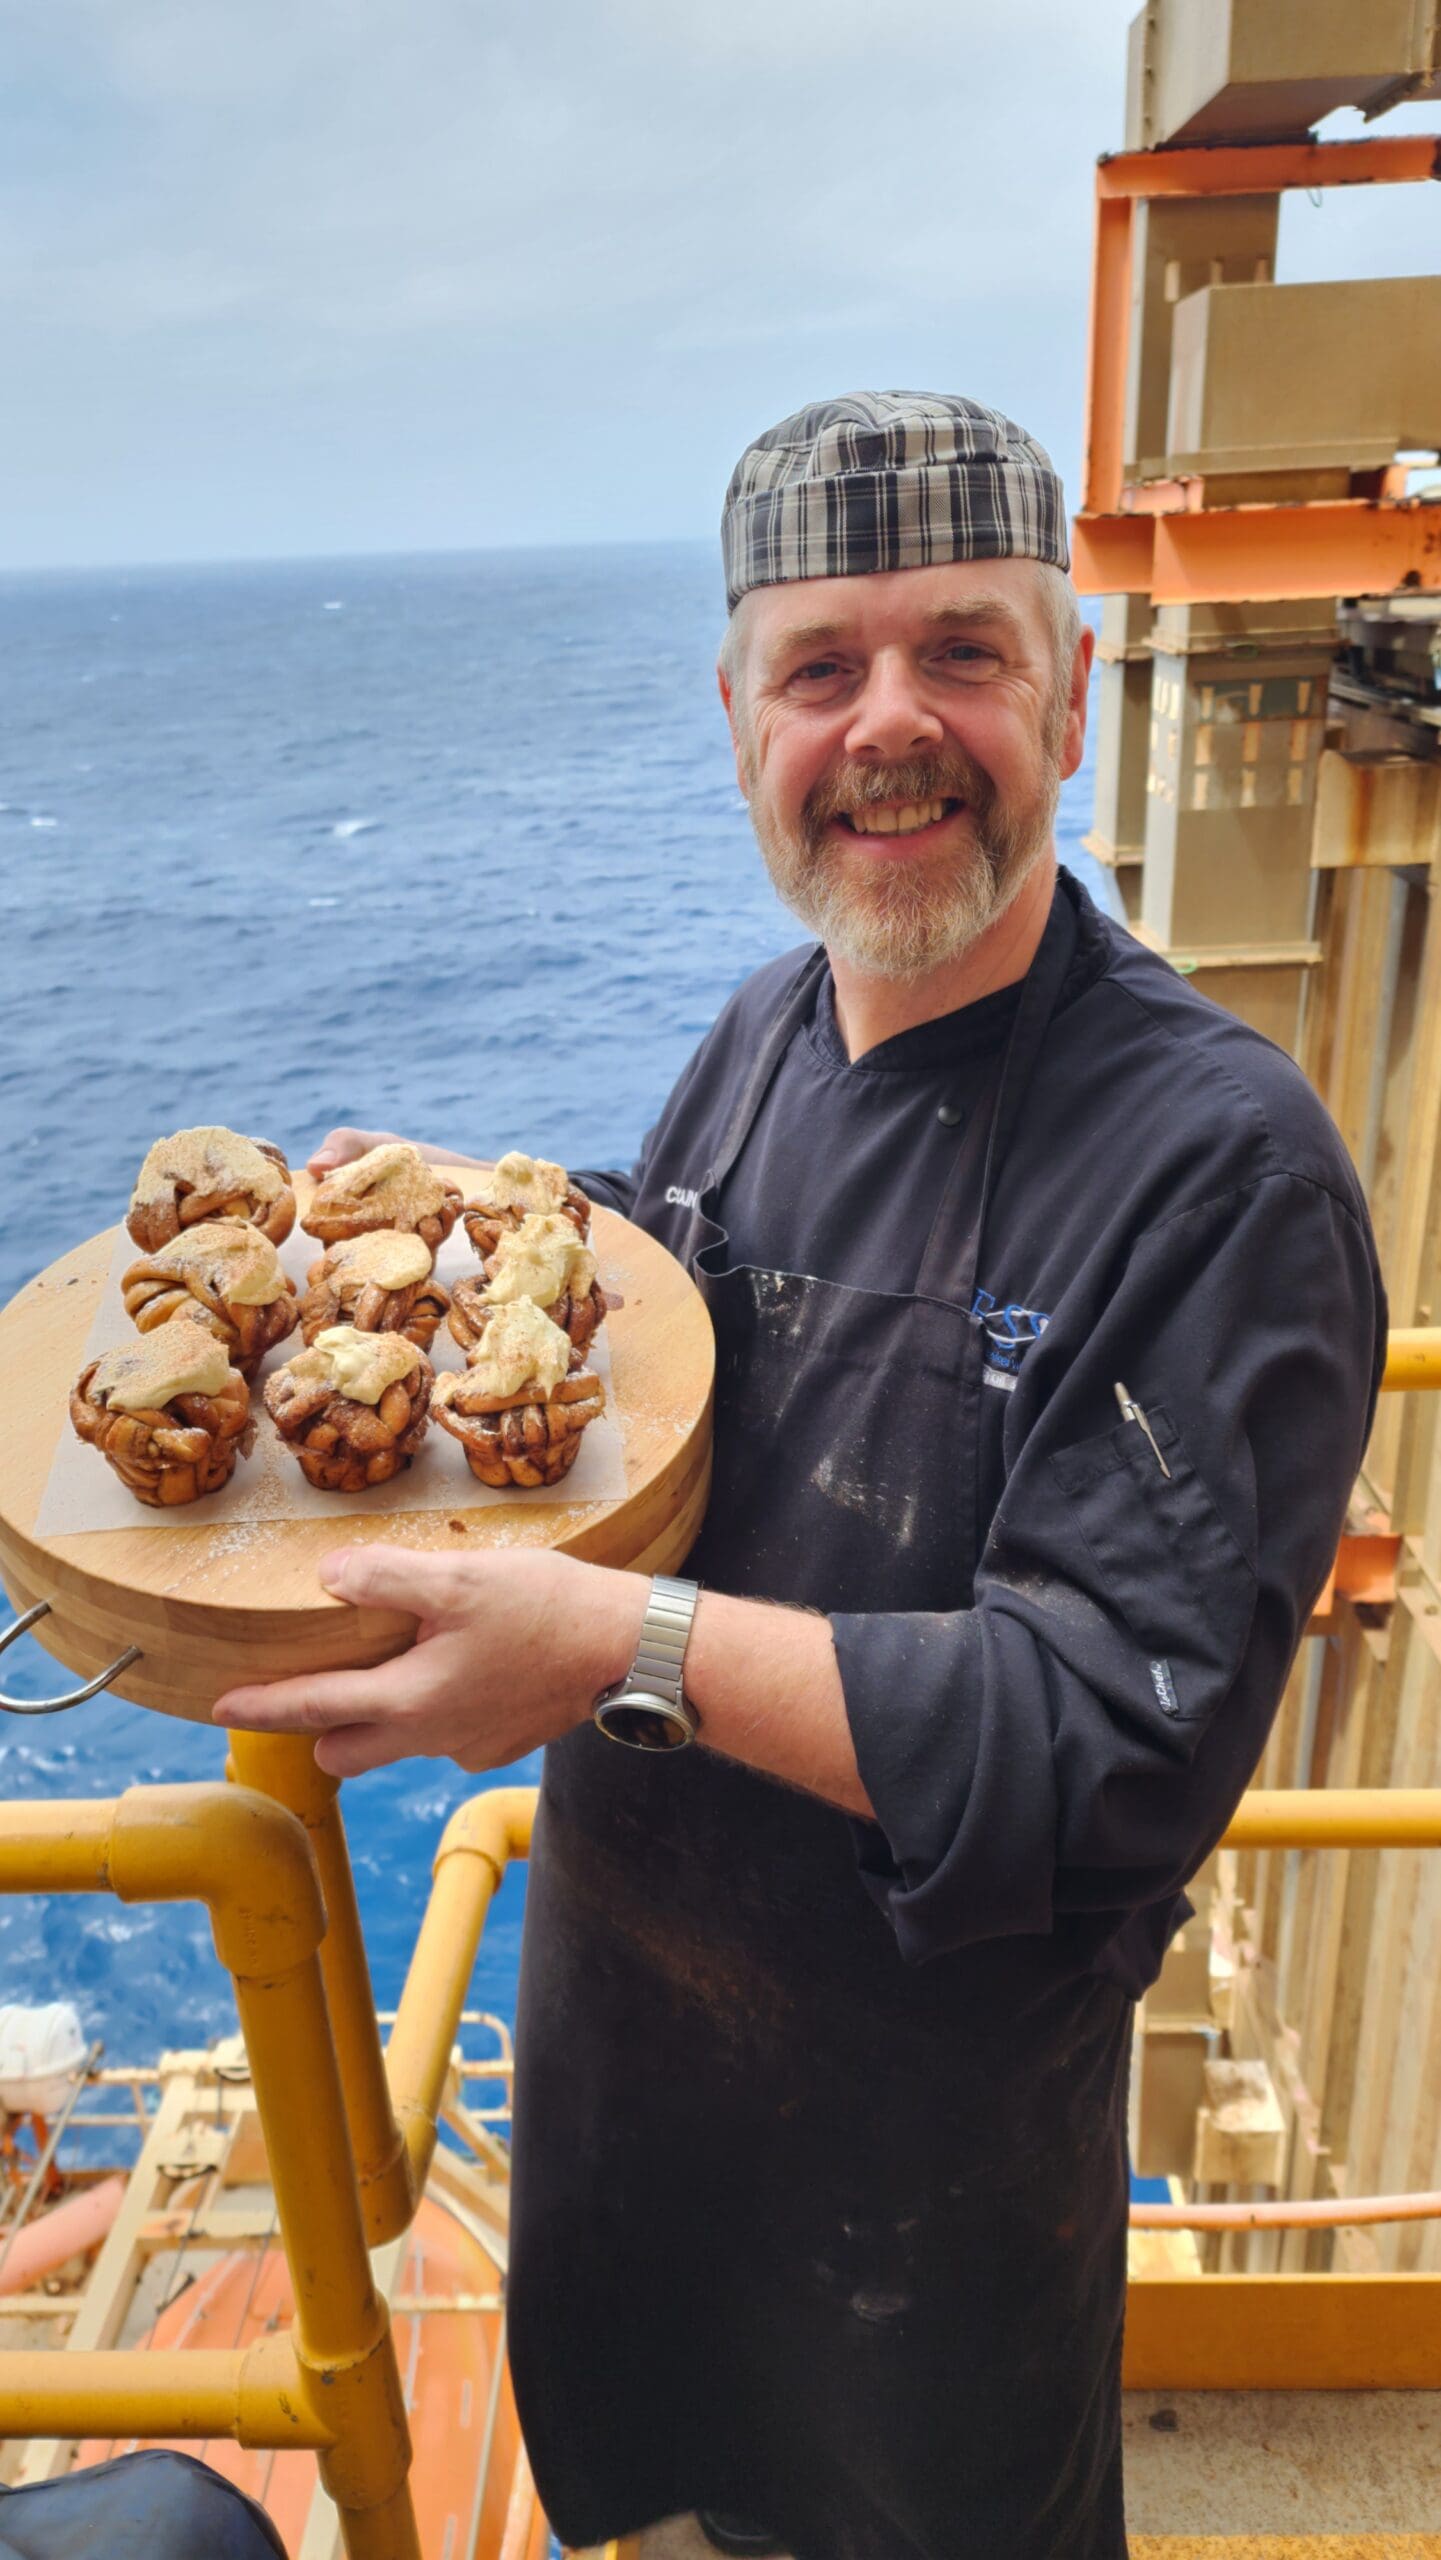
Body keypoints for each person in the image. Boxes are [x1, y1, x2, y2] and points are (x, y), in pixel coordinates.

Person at [215, 392, 1385, 2560]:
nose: (889, 726)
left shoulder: (1216, 1171)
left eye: (960, 651)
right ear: (734, 706)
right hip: (639, 2105)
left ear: (1070, 683)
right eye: (819, 667)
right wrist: (472, 1214)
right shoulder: (768, 1024)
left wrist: (607, 1650)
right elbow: (681, 1299)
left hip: (923, 2199)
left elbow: (1101, 1733)